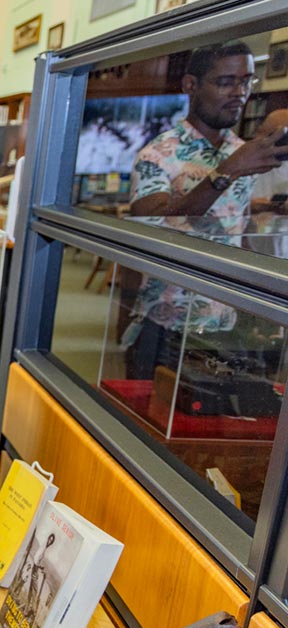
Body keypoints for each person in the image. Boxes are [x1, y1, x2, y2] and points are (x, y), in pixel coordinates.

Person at [125, 41, 288, 377]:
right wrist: (228, 171)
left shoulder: (243, 150)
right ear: (191, 85)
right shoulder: (158, 154)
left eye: (246, 82)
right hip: (166, 321)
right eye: (226, 82)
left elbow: (235, 223)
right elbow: (150, 221)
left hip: (226, 321)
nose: (239, 93)